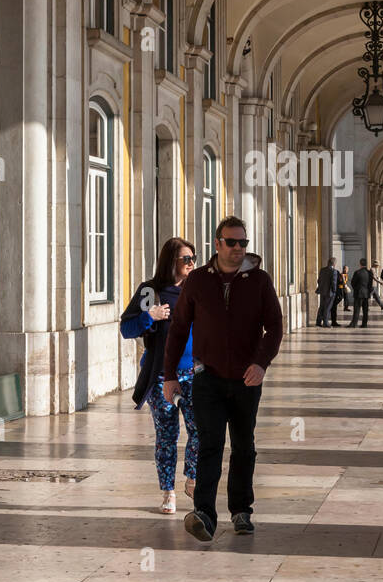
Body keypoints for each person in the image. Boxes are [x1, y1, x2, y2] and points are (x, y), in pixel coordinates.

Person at [163, 216, 283, 542]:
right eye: (231, 242)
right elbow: (177, 329)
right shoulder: (198, 281)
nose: (237, 249)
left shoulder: (259, 281)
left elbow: (274, 327)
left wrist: (261, 364)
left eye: (243, 243)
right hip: (208, 379)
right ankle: (204, 513)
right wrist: (170, 375)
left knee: (244, 447)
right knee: (209, 444)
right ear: (217, 244)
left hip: (246, 380)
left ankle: (241, 510)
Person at [120, 237, 199, 515]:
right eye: (186, 259)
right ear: (170, 261)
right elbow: (127, 329)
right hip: (160, 375)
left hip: (195, 374)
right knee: (167, 435)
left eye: (194, 258)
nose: (192, 263)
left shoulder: (197, 289)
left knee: (200, 430)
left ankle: (192, 477)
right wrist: (149, 316)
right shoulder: (150, 291)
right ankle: (168, 492)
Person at [315, 256, 339, 328]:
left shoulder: (322, 270)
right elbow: (334, 282)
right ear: (334, 264)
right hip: (330, 292)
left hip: (322, 291)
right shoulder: (334, 271)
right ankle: (325, 322)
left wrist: (321, 287)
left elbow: (319, 280)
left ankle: (318, 322)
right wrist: (334, 291)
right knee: (327, 307)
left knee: (322, 306)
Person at [350, 258, 374, 327]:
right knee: (365, 310)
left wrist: (356, 289)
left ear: (360, 264)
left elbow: (353, 283)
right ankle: (364, 324)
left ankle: (354, 323)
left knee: (357, 309)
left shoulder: (357, 272)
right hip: (366, 294)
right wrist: (368, 291)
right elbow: (370, 284)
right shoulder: (369, 273)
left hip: (358, 293)